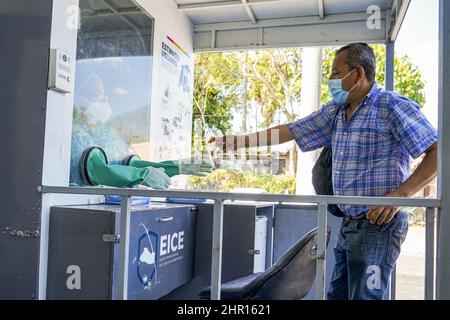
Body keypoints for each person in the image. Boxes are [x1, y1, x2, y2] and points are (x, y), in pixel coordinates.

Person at [213, 43, 438, 300]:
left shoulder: (391, 106)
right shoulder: (336, 112)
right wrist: (238, 141)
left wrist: (400, 195)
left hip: (379, 226)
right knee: (337, 296)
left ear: (358, 74)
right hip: (349, 223)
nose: (330, 79)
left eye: (335, 71)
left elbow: (439, 152)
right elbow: (290, 130)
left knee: (364, 296)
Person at [70, 66, 213, 189]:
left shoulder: (106, 133)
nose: (103, 99)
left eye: (104, 95)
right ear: (76, 96)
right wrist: (141, 175)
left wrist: (178, 166)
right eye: (95, 94)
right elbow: (97, 170)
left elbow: (128, 165)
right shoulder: (73, 134)